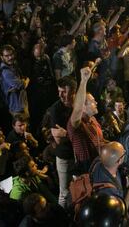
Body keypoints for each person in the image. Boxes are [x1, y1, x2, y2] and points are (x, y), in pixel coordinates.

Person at [41, 76, 76, 209]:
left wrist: (67, 134)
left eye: (64, 91)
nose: (60, 95)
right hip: (65, 156)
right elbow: (58, 139)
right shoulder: (56, 109)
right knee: (64, 192)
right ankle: (62, 217)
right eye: (59, 91)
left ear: (73, 92)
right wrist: (75, 135)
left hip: (77, 154)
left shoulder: (79, 104)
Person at [67, 67, 104, 175]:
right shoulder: (75, 124)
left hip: (98, 165)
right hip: (86, 170)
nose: (96, 103)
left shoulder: (92, 120)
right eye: (92, 101)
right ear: (83, 106)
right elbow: (77, 109)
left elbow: (100, 142)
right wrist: (83, 81)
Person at [90, 141, 129, 209]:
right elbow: (121, 212)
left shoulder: (97, 163)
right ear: (119, 161)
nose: (125, 152)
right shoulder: (111, 191)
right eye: (124, 153)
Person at [0, 44, 29, 117]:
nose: (10, 58)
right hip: (16, 107)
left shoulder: (13, 65)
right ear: (2, 57)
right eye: (6, 56)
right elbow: (21, 85)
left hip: (21, 104)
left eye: (11, 54)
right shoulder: (6, 72)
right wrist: (26, 81)